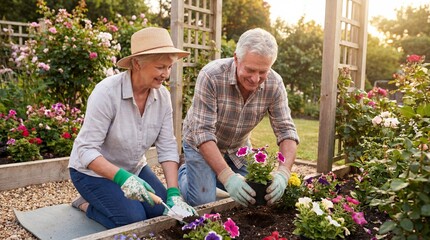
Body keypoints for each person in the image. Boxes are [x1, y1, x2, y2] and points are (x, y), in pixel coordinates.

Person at [68, 27, 196, 229]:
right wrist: (122, 178)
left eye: (169, 67)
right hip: (91, 173)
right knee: (134, 220)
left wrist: (173, 192)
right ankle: (85, 204)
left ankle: (113, 198)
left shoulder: (162, 97)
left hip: (133, 168)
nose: (166, 74)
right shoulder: (107, 93)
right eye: (160, 67)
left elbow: (167, 145)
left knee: (162, 210)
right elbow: (86, 150)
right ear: (137, 63)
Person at [178, 28, 300, 207]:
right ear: (236, 58)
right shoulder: (211, 76)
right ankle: (185, 172)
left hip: (238, 149)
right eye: (250, 70)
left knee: (256, 194)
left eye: (263, 71)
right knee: (204, 202)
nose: (255, 78)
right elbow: (202, 133)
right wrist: (227, 177)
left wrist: (283, 173)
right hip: (200, 146)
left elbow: (286, 130)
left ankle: (209, 177)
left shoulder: (275, 83)